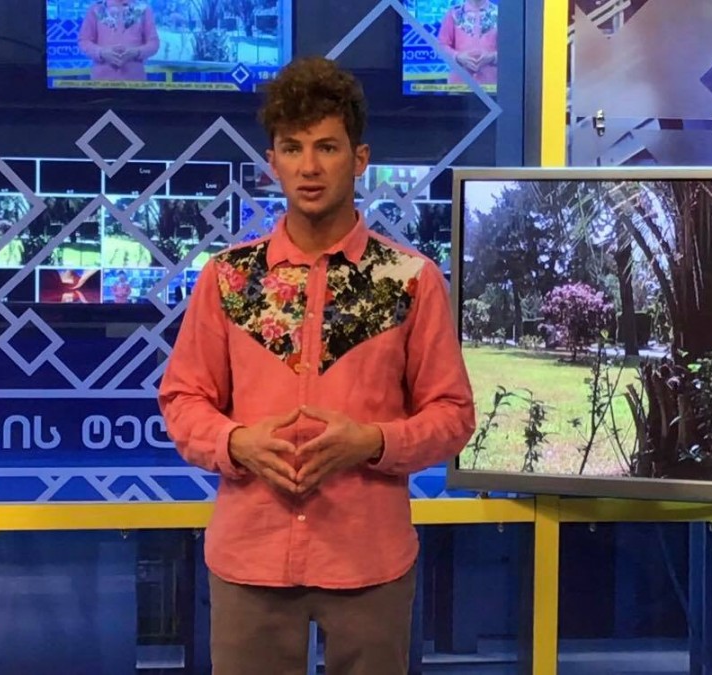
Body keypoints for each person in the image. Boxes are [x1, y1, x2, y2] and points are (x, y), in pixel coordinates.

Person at [158, 56, 476, 675]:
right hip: (250, 558)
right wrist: (236, 443)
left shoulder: (410, 280)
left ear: (359, 159)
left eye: (327, 147)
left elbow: (453, 415)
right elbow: (182, 399)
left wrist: (374, 442)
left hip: (369, 560)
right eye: (292, 148)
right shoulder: (227, 279)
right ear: (271, 161)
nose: (309, 166)